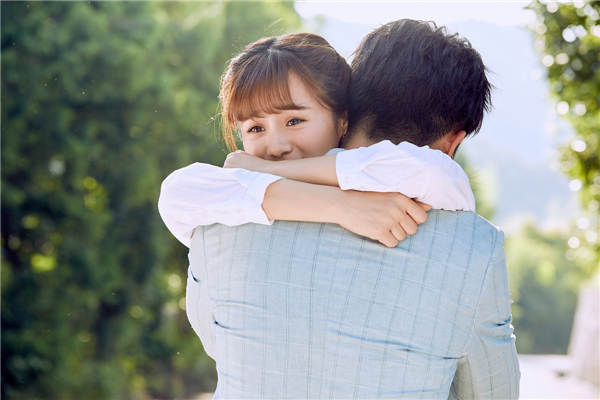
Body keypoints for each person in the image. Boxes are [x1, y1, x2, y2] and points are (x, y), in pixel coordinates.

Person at [163, 20, 520, 398]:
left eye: (294, 120)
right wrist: (341, 206)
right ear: (454, 141)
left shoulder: (223, 220)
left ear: (345, 116)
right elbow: (492, 391)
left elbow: (220, 344)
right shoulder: (472, 246)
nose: (277, 146)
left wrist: (260, 172)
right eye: (254, 128)